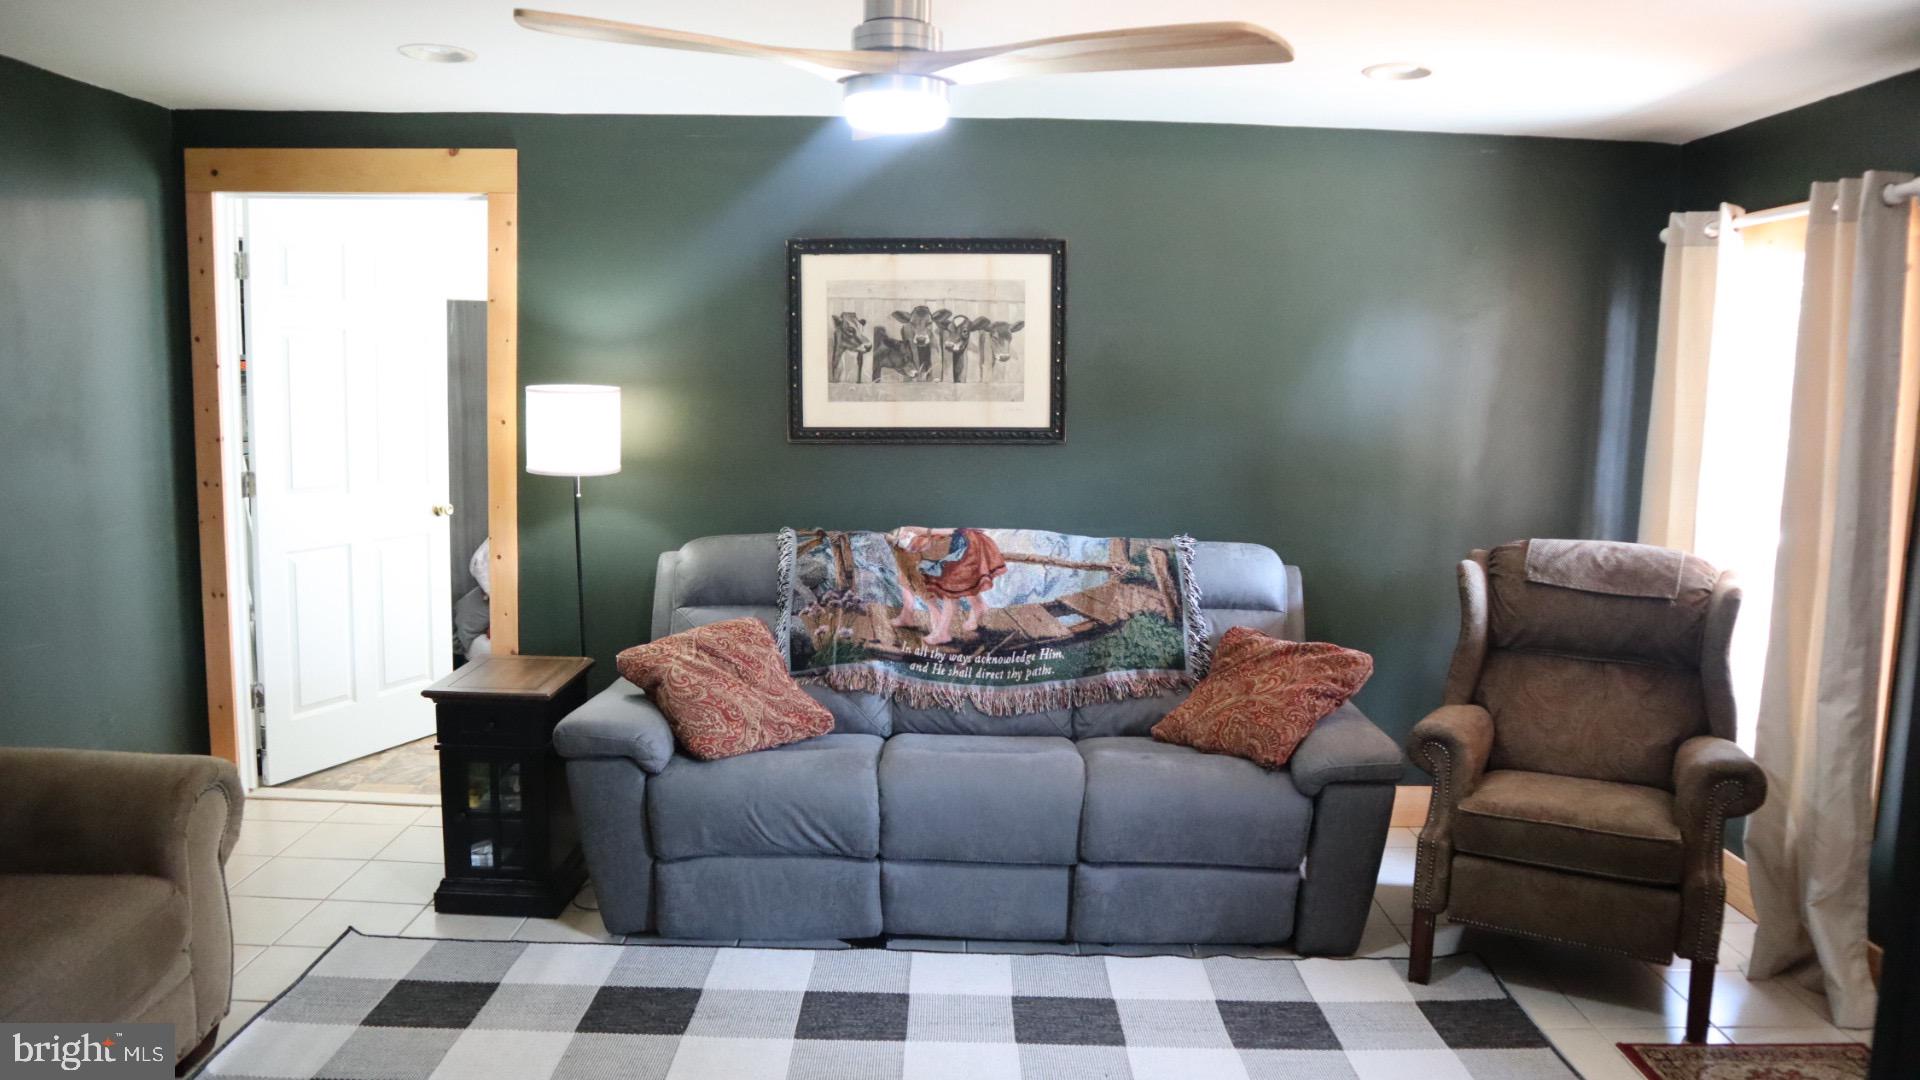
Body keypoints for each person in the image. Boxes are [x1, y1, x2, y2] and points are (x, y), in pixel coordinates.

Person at [888, 526, 1008, 645]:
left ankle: (942, 633)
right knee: (914, 569)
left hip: (967, 545)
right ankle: (978, 605)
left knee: (951, 586)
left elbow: (957, 529)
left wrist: (924, 531)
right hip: (953, 541)